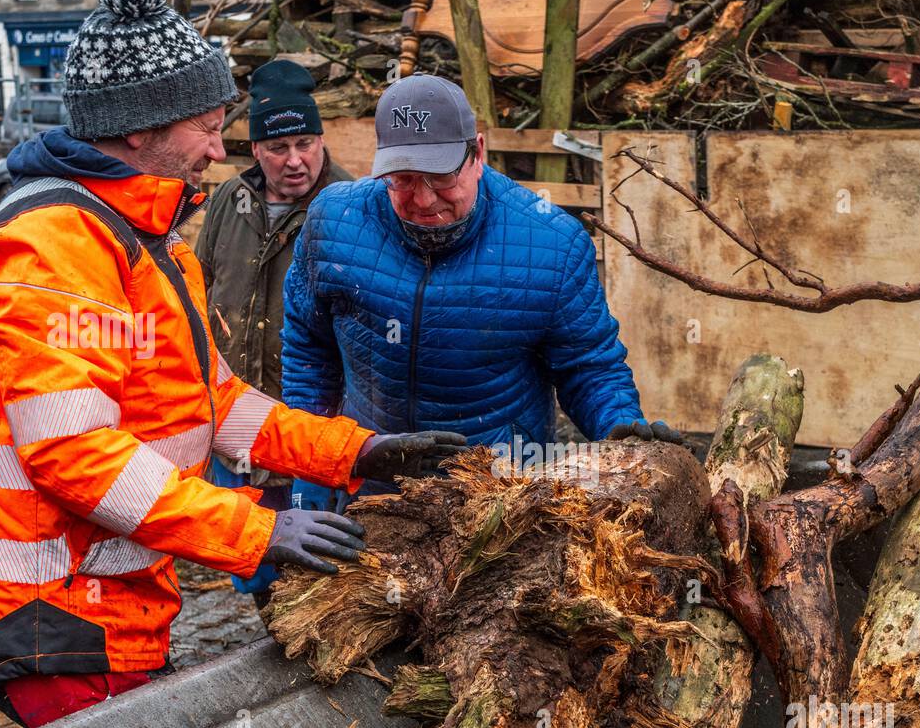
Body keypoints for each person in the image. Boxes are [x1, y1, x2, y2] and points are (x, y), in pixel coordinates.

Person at [0, 0, 461, 728]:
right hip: (57, 622)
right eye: (209, 127)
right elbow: (74, 453)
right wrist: (256, 530)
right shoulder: (55, 244)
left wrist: (354, 452)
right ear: (139, 128)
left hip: (113, 615)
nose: (222, 151)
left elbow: (217, 405)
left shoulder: (146, 238)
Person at [280, 73, 678, 509]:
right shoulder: (334, 223)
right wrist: (313, 465)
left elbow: (587, 367)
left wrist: (619, 427)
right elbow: (308, 346)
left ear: (478, 153)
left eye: (441, 177)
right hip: (372, 487)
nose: (425, 199)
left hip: (499, 496)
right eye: (404, 179)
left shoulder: (551, 244)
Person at [194, 58, 353, 600]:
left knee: (322, 578)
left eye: (306, 143)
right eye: (279, 148)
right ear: (255, 150)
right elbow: (202, 291)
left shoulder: (349, 210)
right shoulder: (227, 204)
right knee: (256, 567)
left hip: (312, 432)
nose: (295, 161)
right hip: (239, 434)